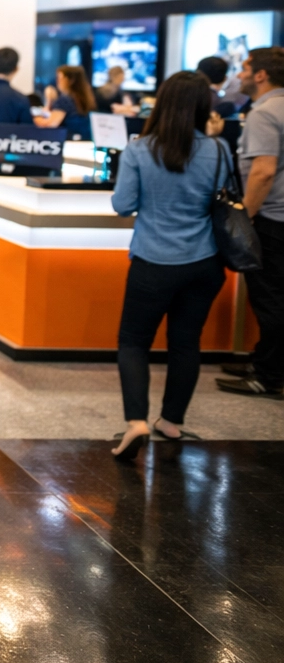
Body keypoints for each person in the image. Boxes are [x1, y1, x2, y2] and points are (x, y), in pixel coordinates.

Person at [105, 71, 232, 460]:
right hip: (205, 262)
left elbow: (122, 204)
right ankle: (171, 421)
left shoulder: (140, 150)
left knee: (133, 342)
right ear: (203, 108)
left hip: (153, 261)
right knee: (185, 342)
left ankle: (137, 421)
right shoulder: (220, 150)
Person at [222, 47, 284, 399]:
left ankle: (267, 375)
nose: (240, 74)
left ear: (260, 75)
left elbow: (263, 171)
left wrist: (244, 217)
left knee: (271, 298)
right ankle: (267, 361)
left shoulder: (265, 114)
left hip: (273, 220)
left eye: (245, 68)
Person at [41, 64, 95, 139]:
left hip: (68, 140)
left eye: (60, 78)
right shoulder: (84, 98)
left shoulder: (65, 100)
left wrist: (34, 118)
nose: (57, 81)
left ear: (70, 80)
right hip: (84, 139)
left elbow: (50, 124)